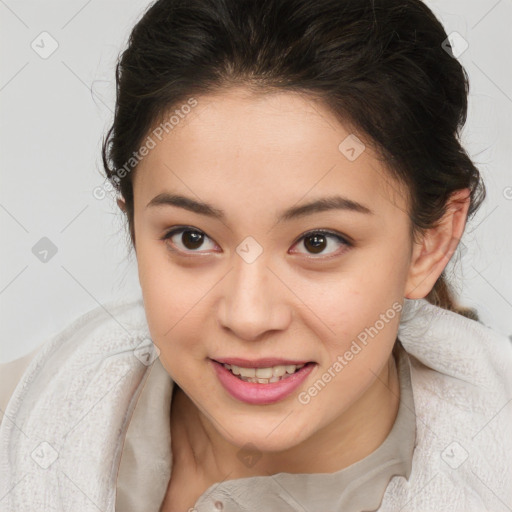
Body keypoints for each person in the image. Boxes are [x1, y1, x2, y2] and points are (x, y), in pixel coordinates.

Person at [1, 0, 511, 510]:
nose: (248, 317)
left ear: (430, 243)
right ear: (133, 226)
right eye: (192, 238)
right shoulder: (20, 416)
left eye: (318, 242)